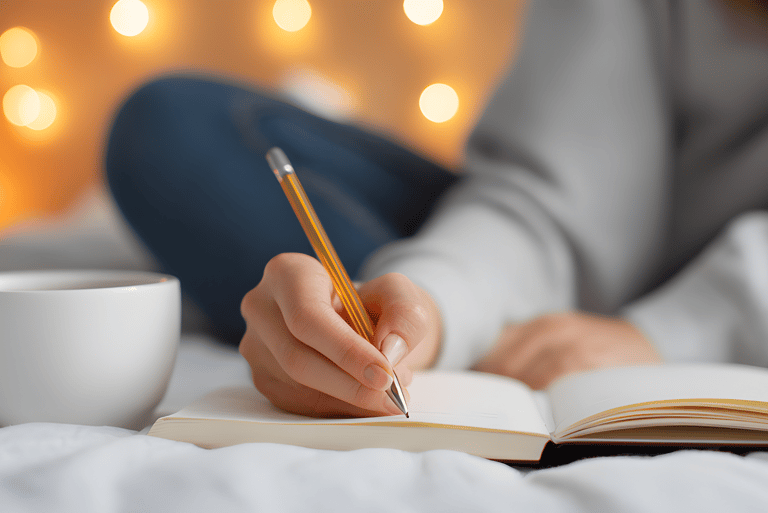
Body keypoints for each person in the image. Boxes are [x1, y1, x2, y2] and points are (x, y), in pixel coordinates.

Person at [106, 0, 768, 418]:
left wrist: (671, 333)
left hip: (731, 314)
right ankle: (383, 333)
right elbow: (549, 197)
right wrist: (430, 304)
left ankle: (418, 337)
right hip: (573, 269)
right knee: (173, 129)